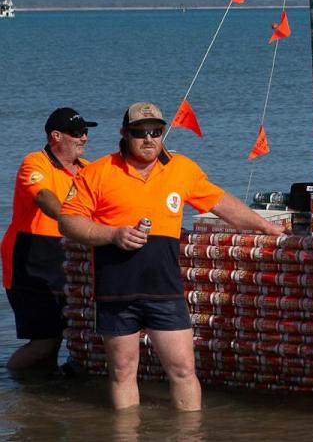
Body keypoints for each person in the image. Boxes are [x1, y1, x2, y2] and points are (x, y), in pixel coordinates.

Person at [59, 102, 285, 411]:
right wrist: (113, 234)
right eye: (139, 132)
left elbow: (220, 203)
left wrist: (265, 227)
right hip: (115, 291)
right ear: (124, 133)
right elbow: (68, 221)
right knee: (123, 372)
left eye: (156, 131)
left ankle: (189, 435)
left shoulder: (182, 169)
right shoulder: (97, 172)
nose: (149, 139)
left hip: (165, 291)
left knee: (183, 370)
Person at [2, 108, 96, 370]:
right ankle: (11, 384)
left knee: (68, 335)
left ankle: (47, 393)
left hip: (71, 258)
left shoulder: (90, 169)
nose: (84, 138)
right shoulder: (35, 162)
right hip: (31, 258)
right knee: (44, 342)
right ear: (56, 136)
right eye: (77, 133)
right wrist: (67, 219)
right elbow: (43, 197)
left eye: (85, 132)